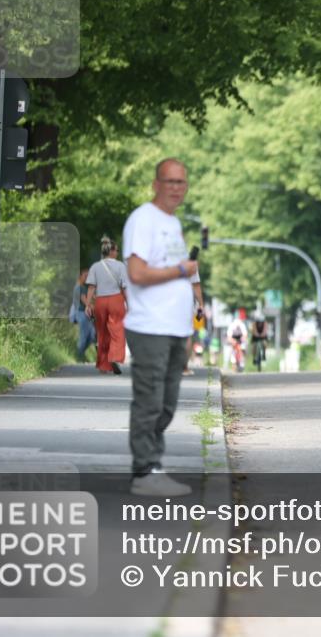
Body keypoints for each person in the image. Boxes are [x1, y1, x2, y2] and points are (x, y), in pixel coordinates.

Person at [122, 157, 198, 497]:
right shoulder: (143, 219)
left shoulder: (173, 223)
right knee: (150, 400)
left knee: (167, 402)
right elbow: (137, 273)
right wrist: (181, 272)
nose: (176, 188)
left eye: (181, 182)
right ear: (156, 184)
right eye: (169, 182)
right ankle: (145, 469)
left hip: (174, 328)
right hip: (149, 325)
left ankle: (154, 464)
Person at [85, 236, 128, 375]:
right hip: (116, 300)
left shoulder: (95, 267)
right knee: (117, 329)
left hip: (100, 301)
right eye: (117, 250)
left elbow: (91, 287)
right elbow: (125, 287)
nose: (118, 252)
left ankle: (104, 365)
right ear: (112, 251)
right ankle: (114, 356)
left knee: (102, 333)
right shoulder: (120, 266)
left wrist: (87, 305)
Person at [72, 267, 96, 362]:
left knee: (91, 336)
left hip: (85, 314)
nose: (87, 278)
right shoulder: (79, 287)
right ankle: (78, 356)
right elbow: (85, 301)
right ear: (81, 276)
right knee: (84, 336)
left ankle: (80, 354)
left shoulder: (84, 287)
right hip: (81, 314)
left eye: (88, 276)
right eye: (85, 276)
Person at [182, 278, 204, 376]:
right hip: (185, 302)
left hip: (162, 302)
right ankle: (184, 367)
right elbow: (196, 285)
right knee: (187, 334)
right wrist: (201, 305)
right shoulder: (190, 262)